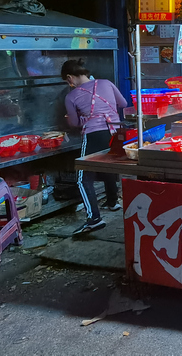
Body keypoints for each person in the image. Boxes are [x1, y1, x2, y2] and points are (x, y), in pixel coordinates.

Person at [62, 59, 128, 235]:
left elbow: (74, 123)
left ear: (70, 78)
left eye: (67, 81)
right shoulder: (106, 82)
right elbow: (123, 104)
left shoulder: (71, 96)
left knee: (83, 178)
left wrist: (72, 118)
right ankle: (113, 202)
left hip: (94, 134)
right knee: (108, 164)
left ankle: (94, 219)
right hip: (115, 132)